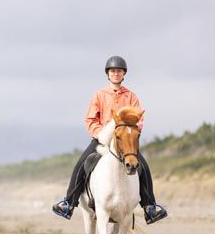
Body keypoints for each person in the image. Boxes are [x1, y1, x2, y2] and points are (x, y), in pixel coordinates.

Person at [52, 56, 168, 224]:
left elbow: (138, 120)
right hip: (101, 140)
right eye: (113, 71)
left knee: (143, 166)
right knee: (81, 164)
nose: (116, 73)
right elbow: (91, 120)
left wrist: (130, 133)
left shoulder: (131, 97)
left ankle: (150, 207)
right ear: (108, 74)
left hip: (124, 141)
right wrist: (101, 134)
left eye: (119, 71)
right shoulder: (99, 95)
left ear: (124, 74)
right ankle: (69, 203)